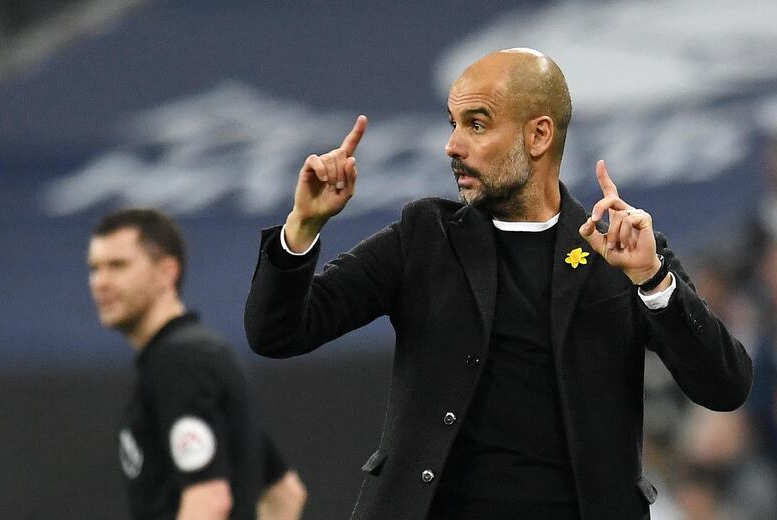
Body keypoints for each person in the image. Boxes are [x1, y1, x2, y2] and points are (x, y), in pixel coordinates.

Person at [244, 49, 752, 520]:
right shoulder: (424, 236)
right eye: (453, 124)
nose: (452, 145)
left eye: (477, 124)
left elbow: (725, 386)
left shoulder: (623, 250)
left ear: (538, 136)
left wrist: (652, 280)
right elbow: (279, 333)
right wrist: (302, 228)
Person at [88, 209, 307, 520]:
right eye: (94, 268)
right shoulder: (205, 354)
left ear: (167, 272)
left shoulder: (177, 362)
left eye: (117, 266)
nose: (100, 282)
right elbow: (284, 493)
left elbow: (208, 499)